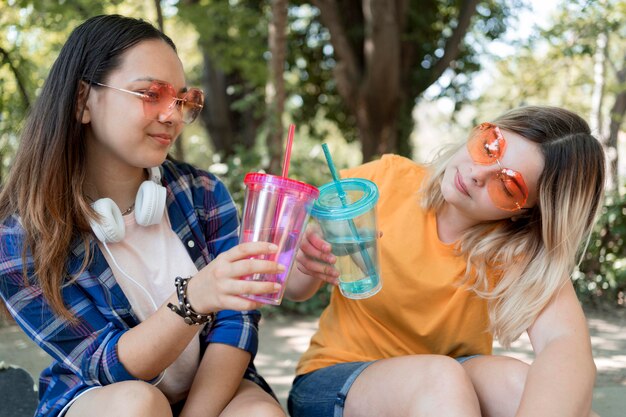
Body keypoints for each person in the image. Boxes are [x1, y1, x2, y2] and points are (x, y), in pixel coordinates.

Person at [0, 14, 286, 417]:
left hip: (209, 387)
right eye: (151, 94)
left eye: (182, 100)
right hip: (100, 396)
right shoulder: (20, 239)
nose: (172, 115)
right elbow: (105, 366)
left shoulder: (202, 194)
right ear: (82, 100)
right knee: (140, 404)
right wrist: (195, 297)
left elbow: (237, 321)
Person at [285, 106, 605, 417]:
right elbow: (295, 289)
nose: (478, 173)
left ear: (528, 212)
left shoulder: (517, 250)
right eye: (489, 147)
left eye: (507, 185)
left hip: (450, 384)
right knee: (440, 378)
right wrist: (307, 255)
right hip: (334, 380)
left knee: (522, 385)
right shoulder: (384, 180)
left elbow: (564, 344)